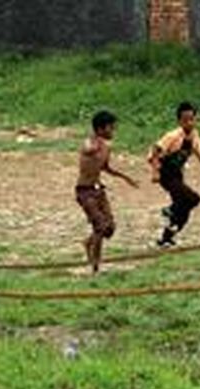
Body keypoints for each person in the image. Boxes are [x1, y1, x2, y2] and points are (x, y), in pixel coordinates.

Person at [76, 110, 138, 273]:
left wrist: (125, 177)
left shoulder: (107, 147)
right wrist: (96, 143)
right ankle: (95, 265)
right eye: (111, 128)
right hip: (85, 192)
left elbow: (105, 167)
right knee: (100, 227)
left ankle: (88, 243)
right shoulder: (89, 143)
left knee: (110, 228)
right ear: (100, 129)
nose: (113, 131)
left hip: (98, 190)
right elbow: (87, 149)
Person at [149, 101, 200, 248]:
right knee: (193, 198)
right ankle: (169, 210)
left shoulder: (194, 136)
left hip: (177, 174)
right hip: (166, 173)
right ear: (179, 121)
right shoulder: (173, 136)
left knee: (185, 208)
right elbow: (155, 150)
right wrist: (155, 172)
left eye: (192, 119)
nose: (189, 123)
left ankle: (166, 238)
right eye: (185, 120)